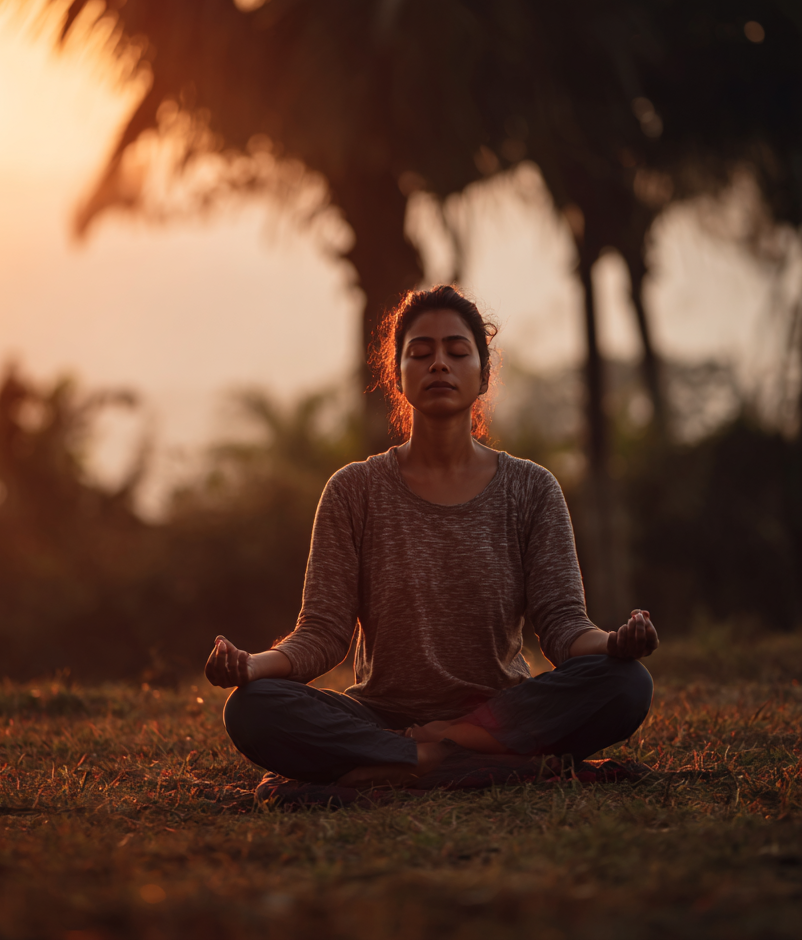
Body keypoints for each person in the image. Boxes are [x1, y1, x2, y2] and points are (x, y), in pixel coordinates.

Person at [205, 286, 658, 788]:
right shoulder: (354, 490)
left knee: (626, 684)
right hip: (379, 717)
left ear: (483, 376)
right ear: (398, 375)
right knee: (253, 709)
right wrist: (252, 667)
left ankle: (425, 755)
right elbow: (323, 633)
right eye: (420, 353)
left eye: (457, 352)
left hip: (501, 712)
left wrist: (614, 643)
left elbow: (563, 626)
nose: (438, 363)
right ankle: (454, 761)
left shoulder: (531, 488)